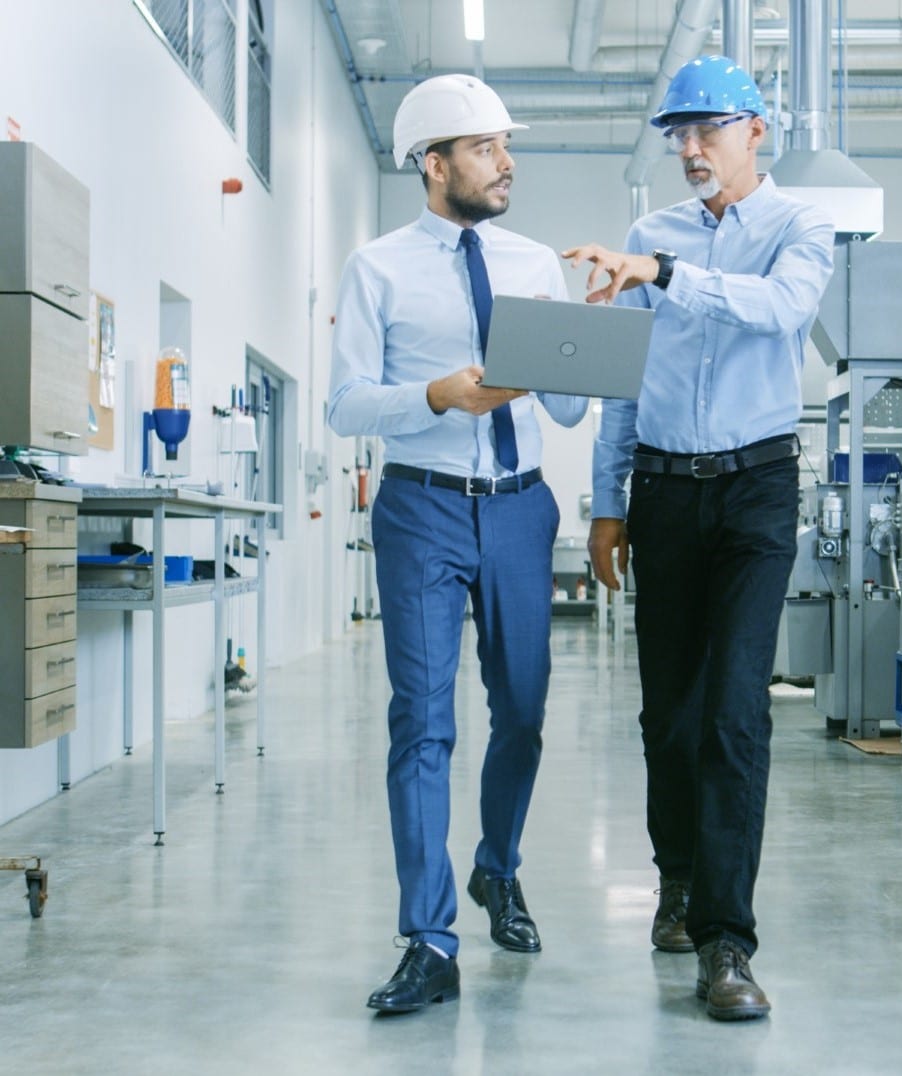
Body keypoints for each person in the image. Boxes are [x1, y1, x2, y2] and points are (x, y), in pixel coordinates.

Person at [563, 55, 834, 1022]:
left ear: (755, 130)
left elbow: (782, 312)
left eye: (706, 129)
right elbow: (624, 381)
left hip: (759, 489)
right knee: (668, 714)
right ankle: (676, 882)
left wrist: (673, 274)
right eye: (677, 133)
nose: (689, 148)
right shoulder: (650, 233)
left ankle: (727, 940)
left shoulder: (800, 226)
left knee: (734, 714)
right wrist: (606, 504)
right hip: (666, 491)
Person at [328, 73, 587, 1015]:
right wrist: (436, 395)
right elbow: (345, 403)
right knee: (423, 724)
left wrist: (583, 344)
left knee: (521, 711)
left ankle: (497, 868)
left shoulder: (532, 263)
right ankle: (429, 936)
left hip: (520, 506)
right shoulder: (379, 268)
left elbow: (564, 405)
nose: (506, 161)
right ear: (434, 166)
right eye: (485, 148)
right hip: (422, 507)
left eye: (505, 145)